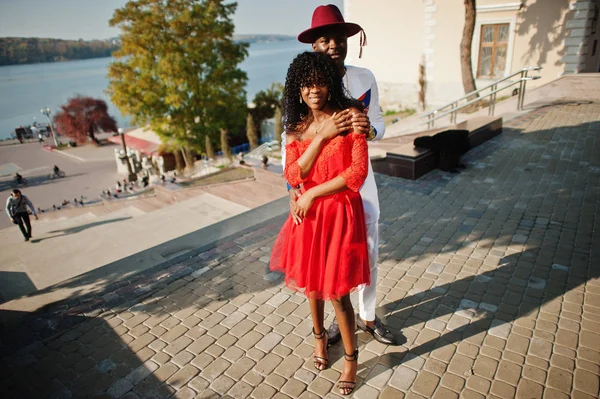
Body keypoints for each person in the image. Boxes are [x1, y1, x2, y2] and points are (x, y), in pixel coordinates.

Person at [282, 4, 396, 346]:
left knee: (369, 244)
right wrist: (293, 186)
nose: (332, 44)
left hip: (356, 176)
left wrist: (370, 130)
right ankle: (339, 316)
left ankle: (368, 316)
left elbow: (379, 121)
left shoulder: (364, 78)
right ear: (314, 45)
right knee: (326, 255)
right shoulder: (303, 83)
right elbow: (288, 140)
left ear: (348, 40)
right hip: (314, 183)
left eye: (338, 38)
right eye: (323, 39)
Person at [271, 51, 369, 395]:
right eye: (306, 84)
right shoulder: (296, 129)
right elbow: (293, 173)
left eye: (320, 82)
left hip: (339, 214)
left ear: (330, 85)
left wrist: (311, 195)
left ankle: (351, 360)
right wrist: (320, 136)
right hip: (308, 220)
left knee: (338, 293)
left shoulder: (351, 118)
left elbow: (356, 175)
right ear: (299, 91)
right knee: (312, 287)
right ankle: (318, 340)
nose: (314, 90)